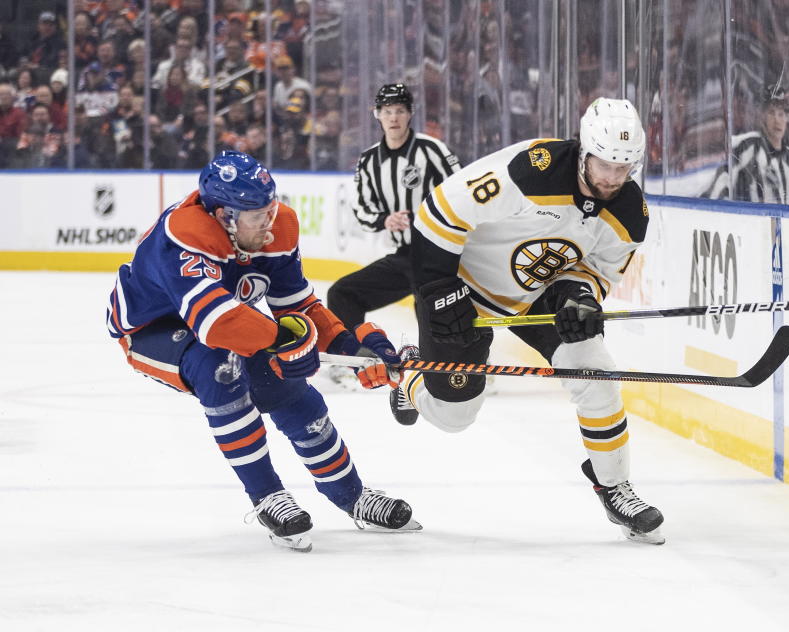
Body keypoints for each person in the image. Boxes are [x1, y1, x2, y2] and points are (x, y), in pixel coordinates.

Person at [106, 151, 420, 552]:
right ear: (224, 216)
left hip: (225, 322)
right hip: (151, 331)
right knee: (221, 365)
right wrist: (285, 340)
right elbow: (214, 323)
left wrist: (354, 346)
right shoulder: (183, 234)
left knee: (290, 389)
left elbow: (298, 307)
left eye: (270, 210)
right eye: (259, 217)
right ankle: (267, 496)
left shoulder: (277, 225)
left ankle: (351, 495)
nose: (270, 226)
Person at [392, 97, 666, 545]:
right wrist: (440, 292)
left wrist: (581, 298)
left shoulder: (630, 213)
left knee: (596, 371)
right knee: (454, 418)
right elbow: (439, 213)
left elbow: (596, 270)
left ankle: (614, 485)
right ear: (584, 150)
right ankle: (409, 379)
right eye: (604, 166)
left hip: (538, 295)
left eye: (624, 169)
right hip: (464, 290)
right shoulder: (530, 171)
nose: (612, 179)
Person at [325, 83, 461, 385]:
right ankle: (352, 360)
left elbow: (461, 193)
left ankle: (465, 365)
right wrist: (385, 220)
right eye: (387, 111)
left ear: (410, 114)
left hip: (439, 256)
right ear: (377, 115)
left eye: (400, 110)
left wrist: (424, 218)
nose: (394, 117)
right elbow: (361, 209)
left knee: (430, 307)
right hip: (404, 257)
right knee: (342, 293)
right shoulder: (369, 160)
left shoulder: (432, 150)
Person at [702, 84, 789, 207]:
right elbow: (721, 182)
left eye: (781, 114)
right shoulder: (748, 149)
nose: (777, 120)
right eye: (771, 112)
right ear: (762, 117)